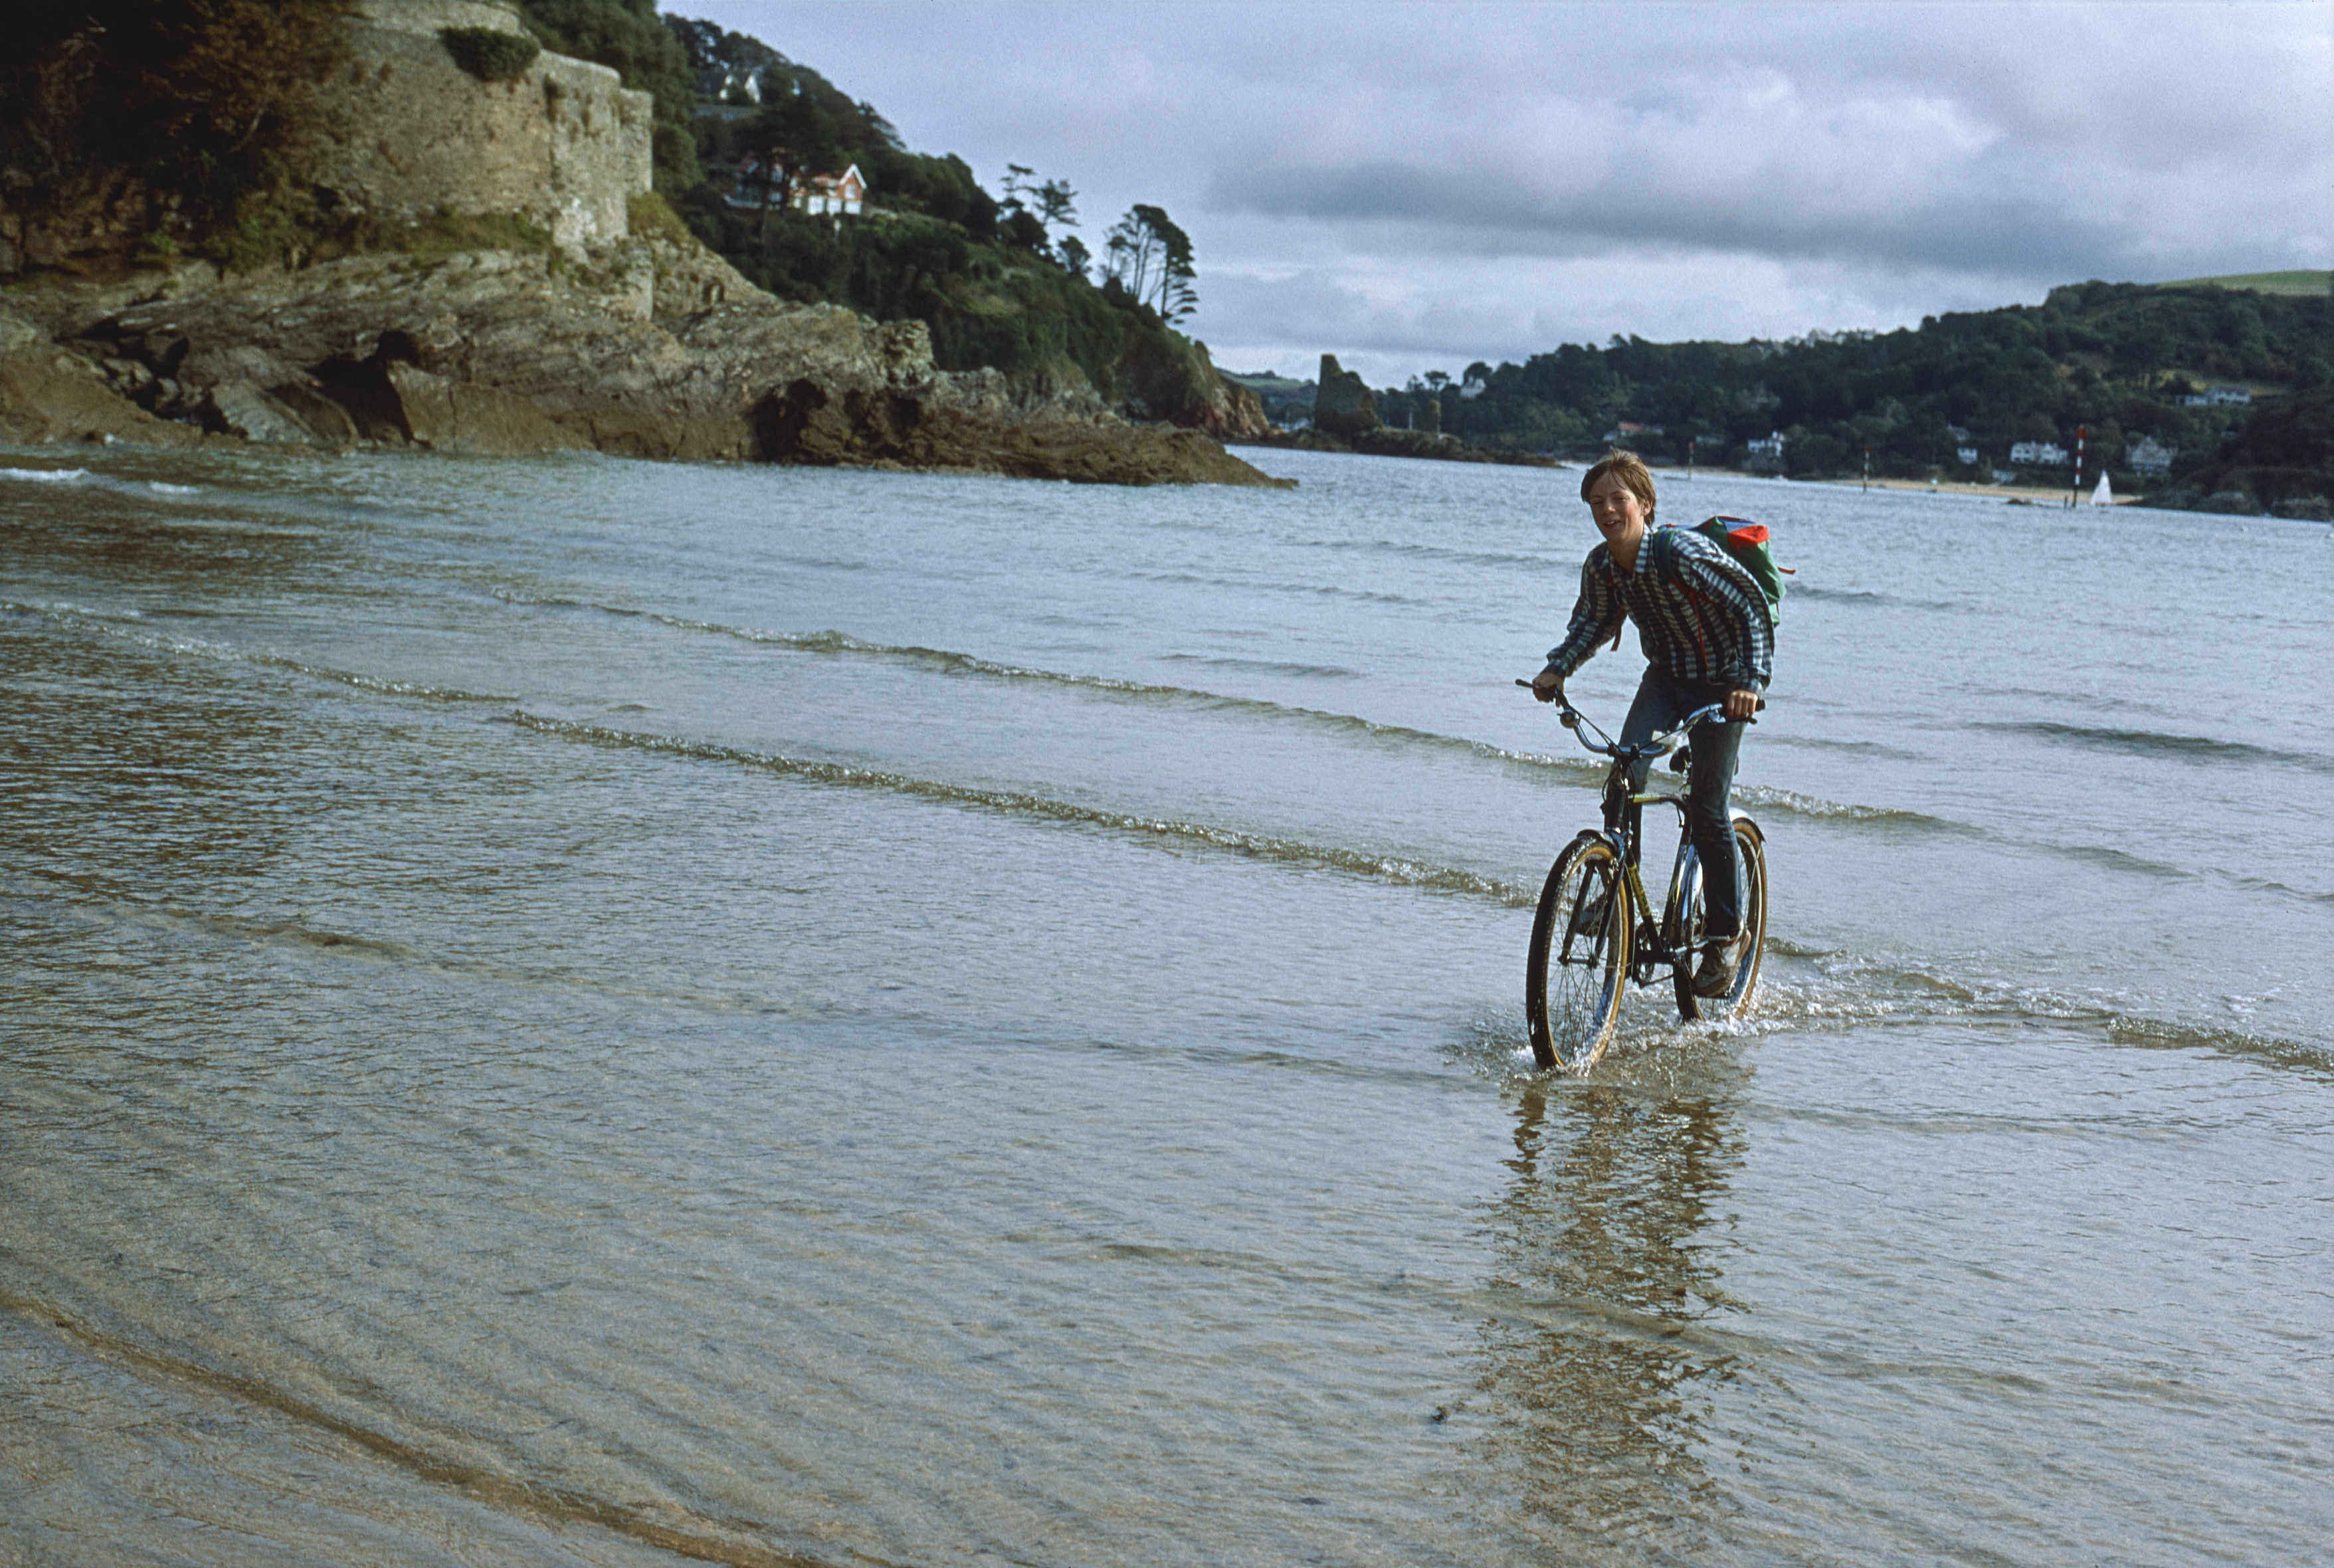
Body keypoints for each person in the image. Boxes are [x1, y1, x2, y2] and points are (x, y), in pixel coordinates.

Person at [1529, 450, 1773, 995]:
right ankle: (1615, 882)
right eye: (1596, 502)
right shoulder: (1600, 566)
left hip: (1723, 682)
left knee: (1708, 806)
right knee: (1624, 774)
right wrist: (1556, 669)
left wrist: (1751, 684)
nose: (1607, 510)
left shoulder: (1680, 553)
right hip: (1665, 677)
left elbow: (1750, 607)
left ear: (1644, 505)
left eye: (1618, 499)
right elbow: (1591, 622)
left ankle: (1725, 935)